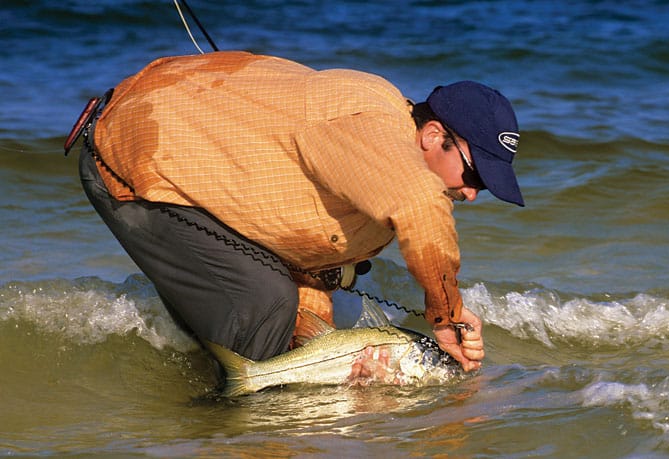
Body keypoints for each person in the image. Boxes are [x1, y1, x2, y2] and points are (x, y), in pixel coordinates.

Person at [76, 50, 524, 380]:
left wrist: (325, 359)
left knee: (281, 330)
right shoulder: (374, 128)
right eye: (474, 175)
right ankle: (236, 435)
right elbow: (420, 207)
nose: (471, 194)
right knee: (265, 301)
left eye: (484, 186)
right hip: (133, 155)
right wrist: (447, 316)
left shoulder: (377, 173)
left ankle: (221, 400)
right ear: (432, 135)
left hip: (185, 161)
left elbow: (308, 263)